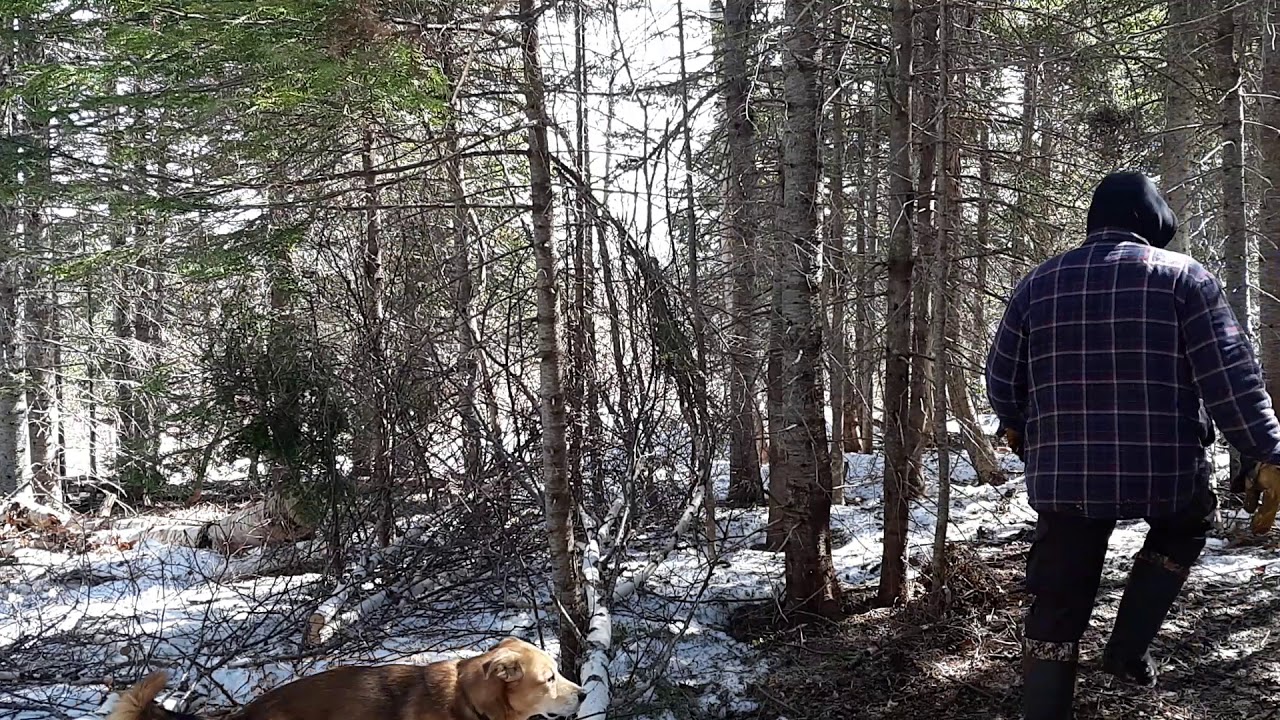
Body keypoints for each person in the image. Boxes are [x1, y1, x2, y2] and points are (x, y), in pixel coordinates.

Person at [985, 171, 1280, 719]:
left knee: (1058, 597)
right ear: (1151, 225)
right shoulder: (1184, 278)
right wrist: (1269, 450)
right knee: (1187, 523)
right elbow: (1230, 377)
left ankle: (1046, 711)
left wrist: (1024, 427)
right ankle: (1126, 651)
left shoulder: (1038, 283)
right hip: (1163, 469)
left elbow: (1002, 381)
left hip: (1066, 475)